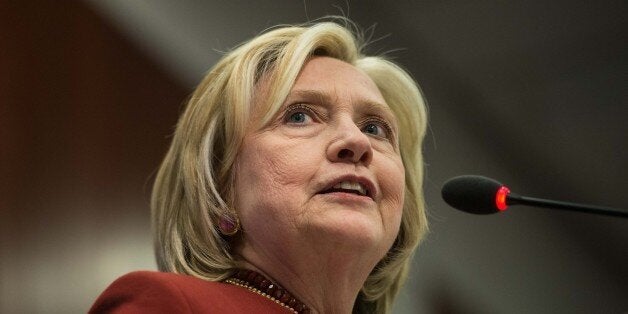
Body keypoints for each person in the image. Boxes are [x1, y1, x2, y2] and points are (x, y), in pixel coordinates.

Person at [90, 18, 428, 314]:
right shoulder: (171, 306)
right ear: (218, 188)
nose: (357, 143)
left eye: (375, 128)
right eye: (299, 116)